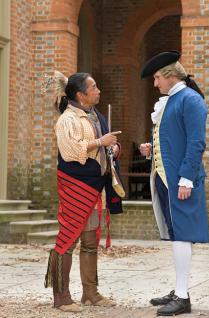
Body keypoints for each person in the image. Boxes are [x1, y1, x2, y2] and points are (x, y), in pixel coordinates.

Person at [44, 71, 123, 312]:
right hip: (76, 186)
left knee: (90, 241)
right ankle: (62, 297)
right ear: (81, 94)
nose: (98, 90)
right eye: (94, 87)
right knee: (68, 240)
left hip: (96, 186)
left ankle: (90, 293)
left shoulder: (95, 116)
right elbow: (71, 152)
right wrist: (101, 143)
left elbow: (103, 147)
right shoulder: (67, 119)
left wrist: (114, 148)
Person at [139, 51, 209, 316]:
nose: (155, 83)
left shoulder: (190, 100)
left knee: (182, 235)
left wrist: (186, 178)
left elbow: (196, 143)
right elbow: (172, 139)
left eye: (157, 77)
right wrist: (151, 147)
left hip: (181, 179)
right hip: (165, 178)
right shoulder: (172, 100)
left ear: (169, 75)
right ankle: (180, 290)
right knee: (176, 234)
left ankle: (182, 296)